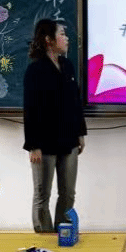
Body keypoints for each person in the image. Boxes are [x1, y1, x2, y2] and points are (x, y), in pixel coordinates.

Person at [23, 19, 87, 233]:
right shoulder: (35, 70)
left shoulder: (67, 66)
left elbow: (75, 102)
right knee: (43, 195)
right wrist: (33, 145)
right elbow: (30, 110)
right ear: (48, 40)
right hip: (44, 143)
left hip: (69, 139)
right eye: (62, 34)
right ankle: (44, 236)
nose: (66, 38)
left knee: (68, 193)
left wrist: (80, 133)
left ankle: (63, 233)